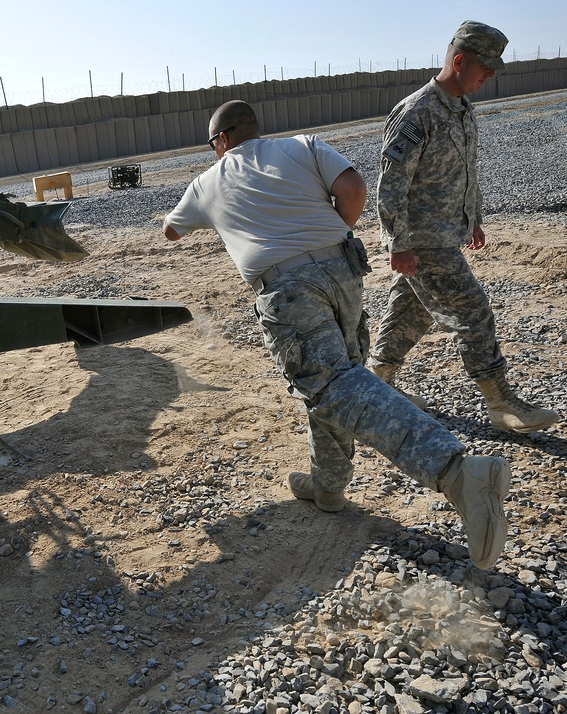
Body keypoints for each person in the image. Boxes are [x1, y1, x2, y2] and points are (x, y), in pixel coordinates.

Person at [163, 100, 510, 569]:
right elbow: (352, 187)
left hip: (287, 288)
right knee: (336, 384)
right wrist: (331, 231)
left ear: (221, 141)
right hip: (343, 269)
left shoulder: (209, 180)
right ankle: (327, 485)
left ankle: (456, 470)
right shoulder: (302, 146)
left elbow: (171, 231)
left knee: (331, 385)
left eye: (212, 145)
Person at [369, 20, 561, 434]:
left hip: (443, 233)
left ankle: (375, 385)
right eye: (485, 69)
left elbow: (464, 170)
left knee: (411, 312)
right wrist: (397, 242)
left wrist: (471, 218)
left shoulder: (459, 106)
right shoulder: (417, 111)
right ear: (459, 61)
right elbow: (390, 184)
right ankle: (500, 401)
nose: (490, 76)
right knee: (472, 312)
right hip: (422, 241)